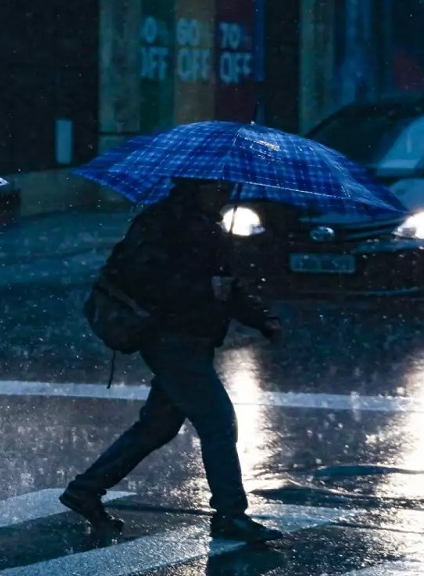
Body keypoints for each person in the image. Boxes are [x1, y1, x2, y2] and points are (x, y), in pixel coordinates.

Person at [61, 177, 285, 542]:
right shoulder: (162, 222)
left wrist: (262, 319)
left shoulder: (205, 225)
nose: (224, 194)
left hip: (192, 341)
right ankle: (230, 514)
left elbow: (225, 286)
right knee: (218, 422)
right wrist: (204, 289)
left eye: (228, 188)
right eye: (217, 188)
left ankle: (85, 490)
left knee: (156, 427)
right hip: (170, 340)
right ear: (194, 187)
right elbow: (149, 282)